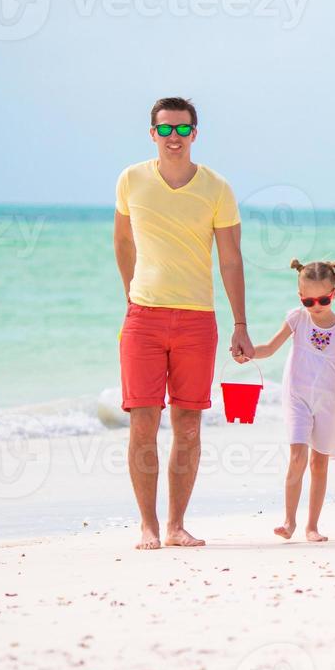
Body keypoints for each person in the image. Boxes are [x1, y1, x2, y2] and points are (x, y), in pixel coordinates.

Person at [113, 97, 253, 550]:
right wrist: (130, 294)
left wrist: (240, 323)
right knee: (143, 423)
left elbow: (231, 260)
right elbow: (122, 240)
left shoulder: (217, 188)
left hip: (198, 319)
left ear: (195, 133)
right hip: (144, 317)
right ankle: (148, 526)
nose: (174, 138)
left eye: (182, 129)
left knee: (189, 424)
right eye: (165, 130)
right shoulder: (131, 180)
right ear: (152, 134)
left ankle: (176, 525)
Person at [242, 259, 335, 543]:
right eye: (309, 300)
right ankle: (289, 521)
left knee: (319, 464)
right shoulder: (297, 319)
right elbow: (269, 348)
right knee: (297, 456)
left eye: (323, 299)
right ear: (300, 297)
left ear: (334, 294)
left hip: (329, 401)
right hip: (297, 396)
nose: (316, 306)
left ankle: (312, 526)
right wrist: (248, 352)